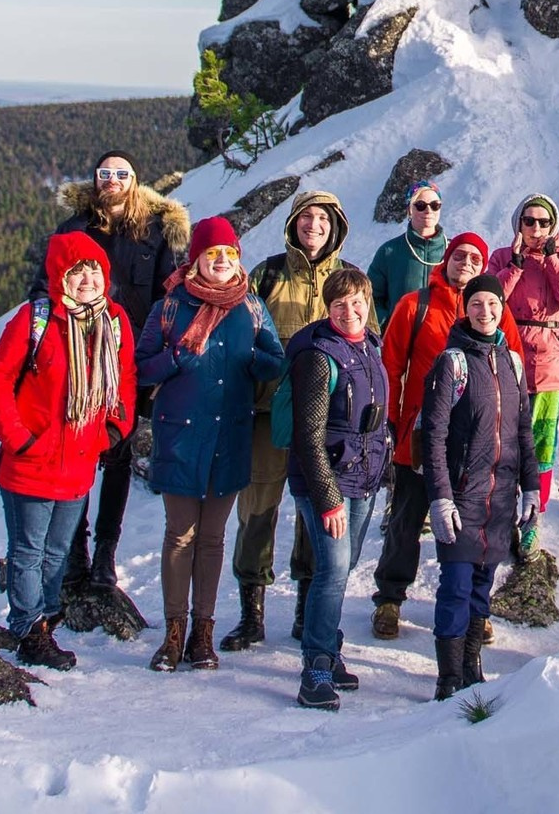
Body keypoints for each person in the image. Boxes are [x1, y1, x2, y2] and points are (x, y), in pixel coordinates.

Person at [25, 151, 190, 597]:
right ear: (95, 179)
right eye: (105, 173)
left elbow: (167, 297)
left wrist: (159, 357)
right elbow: (43, 286)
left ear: (135, 180)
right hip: (76, 359)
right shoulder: (74, 229)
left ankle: (105, 553)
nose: (112, 180)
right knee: (76, 453)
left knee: (117, 455)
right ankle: (74, 552)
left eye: (121, 173)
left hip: (127, 362)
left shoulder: (155, 233)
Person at [0, 230, 138, 670]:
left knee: (58, 552)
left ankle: (46, 620)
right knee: (28, 552)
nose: (88, 280)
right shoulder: (35, 320)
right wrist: (19, 438)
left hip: (78, 463)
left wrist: (113, 430)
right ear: (59, 276)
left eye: (94, 270)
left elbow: (125, 380)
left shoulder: (113, 321)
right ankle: (28, 629)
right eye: (77, 271)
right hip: (31, 463)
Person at [136, 215, 284, 671]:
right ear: (196, 259)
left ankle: (203, 632)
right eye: (212, 253)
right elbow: (141, 367)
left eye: (229, 253)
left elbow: (274, 360)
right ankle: (173, 633)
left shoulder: (251, 306)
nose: (221, 260)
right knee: (180, 535)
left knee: (213, 538)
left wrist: (253, 358)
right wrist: (176, 357)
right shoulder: (170, 306)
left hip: (229, 435)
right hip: (181, 436)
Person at [225, 189, 351, 651]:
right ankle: (251, 613)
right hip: (267, 414)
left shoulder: (347, 278)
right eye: (306, 216)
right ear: (293, 222)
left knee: (315, 512)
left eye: (323, 218)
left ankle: (306, 611)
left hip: (326, 421)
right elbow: (241, 337)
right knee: (258, 509)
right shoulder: (268, 274)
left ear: (335, 226)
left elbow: (365, 341)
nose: (313, 225)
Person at [421, 271, 537, 700]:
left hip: (500, 498)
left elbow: (523, 432)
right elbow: (433, 435)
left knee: (481, 588)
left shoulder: (513, 362)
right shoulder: (452, 362)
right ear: (465, 310)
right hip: (462, 494)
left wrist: (530, 487)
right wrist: (440, 497)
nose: (484, 311)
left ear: (502, 309)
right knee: (455, 587)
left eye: (492, 304)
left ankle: (471, 666)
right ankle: (448, 678)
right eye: (476, 304)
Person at [369, 230, 489, 639]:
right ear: (446, 259)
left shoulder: (491, 308)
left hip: (471, 442)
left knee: (470, 526)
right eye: (460, 255)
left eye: (475, 259)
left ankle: (472, 606)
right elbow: (390, 366)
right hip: (419, 437)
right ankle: (389, 598)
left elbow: (508, 369)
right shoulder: (414, 304)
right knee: (406, 521)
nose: (466, 263)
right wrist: (391, 421)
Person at [285, 263, 392, 710]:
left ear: (368, 303)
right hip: (325, 481)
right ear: (327, 308)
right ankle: (314, 668)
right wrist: (327, 500)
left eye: (357, 302)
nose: (349, 311)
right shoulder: (318, 356)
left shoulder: (370, 346)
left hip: (362, 476)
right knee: (331, 570)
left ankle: (328, 649)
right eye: (339, 304)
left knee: (342, 568)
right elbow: (308, 436)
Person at [486, 194, 559, 549]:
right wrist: (514, 266)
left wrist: (552, 260)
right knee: (501, 441)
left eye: (544, 222)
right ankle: (499, 513)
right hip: (508, 359)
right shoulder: (502, 257)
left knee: (541, 443)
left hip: (549, 365)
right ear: (519, 223)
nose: (536, 229)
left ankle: (533, 517)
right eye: (529, 221)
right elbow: (490, 301)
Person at [366, 180, 449, 335]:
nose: (428, 210)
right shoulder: (389, 251)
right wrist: (389, 325)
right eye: (420, 205)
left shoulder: (454, 252)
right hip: (400, 340)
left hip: (444, 339)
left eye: (435, 205)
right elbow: (369, 297)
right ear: (409, 209)